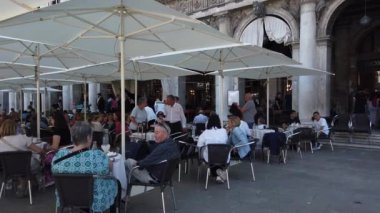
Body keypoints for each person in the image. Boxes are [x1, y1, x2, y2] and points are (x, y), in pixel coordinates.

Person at [52, 122, 118, 213]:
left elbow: (53, 169)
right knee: (116, 183)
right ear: (88, 138)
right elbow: (110, 167)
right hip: (93, 198)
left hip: (66, 197)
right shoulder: (96, 155)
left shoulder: (59, 155)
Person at [197, 113, 228, 183]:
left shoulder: (205, 132)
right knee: (217, 154)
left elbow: (199, 145)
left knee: (208, 154)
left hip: (210, 158)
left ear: (208, 122)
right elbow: (225, 141)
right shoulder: (223, 131)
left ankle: (216, 173)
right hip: (224, 157)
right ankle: (218, 174)